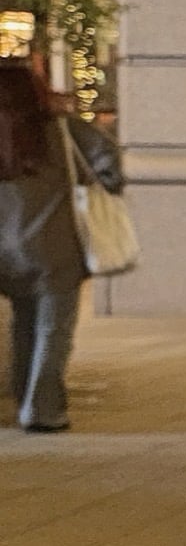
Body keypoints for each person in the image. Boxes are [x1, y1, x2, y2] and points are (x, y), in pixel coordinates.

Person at [0, 54, 123, 434]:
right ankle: (42, 409)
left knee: (22, 322)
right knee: (53, 329)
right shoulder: (61, 129)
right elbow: (108, 159)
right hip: (55, 246)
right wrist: (101, 184)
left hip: (4, 250)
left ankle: (22, 395)